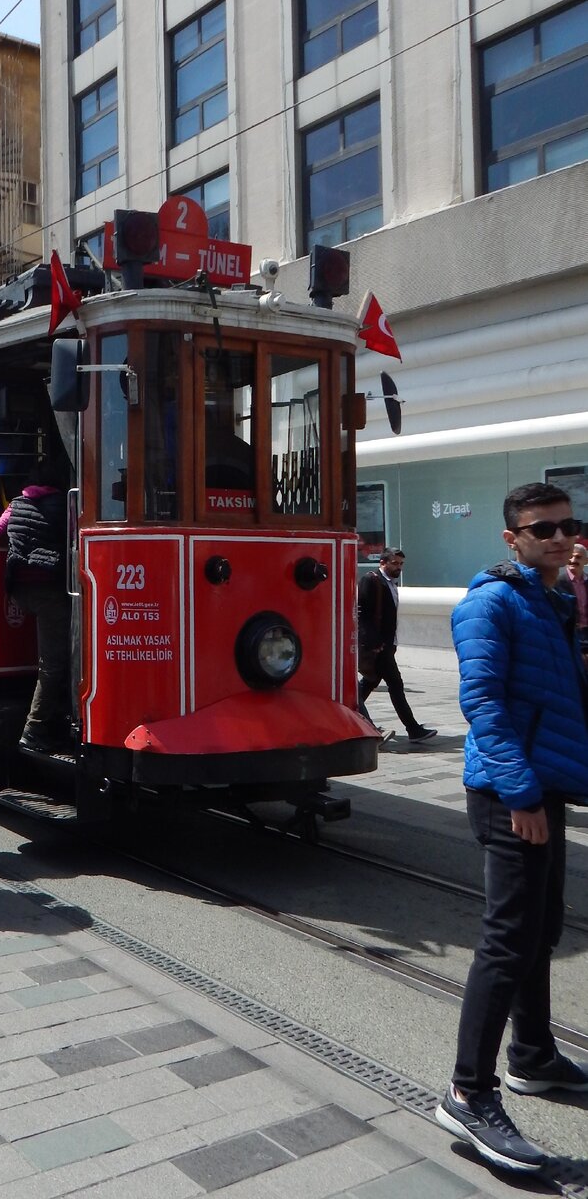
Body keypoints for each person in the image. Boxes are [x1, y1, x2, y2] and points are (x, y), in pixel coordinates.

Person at [437, 482, 588, 1172]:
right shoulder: (491, 602)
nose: (558, 536)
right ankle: (468, 1092)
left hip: (544, 786)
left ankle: (532, 1055)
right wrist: (522, 794)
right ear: (512, 537)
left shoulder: (555, 598)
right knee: (507, 940)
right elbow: (483, 705)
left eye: (567, 524)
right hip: (508, 794)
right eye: (542, 528)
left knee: (543, 929)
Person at [0, 459, 72, 752]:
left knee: (50, 656)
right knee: (55, 663)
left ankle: (55, 713)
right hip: (51, 591)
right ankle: (36, 728)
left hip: (20, 591)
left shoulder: (16, 504)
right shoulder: (64, 503)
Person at [356, 548, 436, 743]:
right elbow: (361, 613)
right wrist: (374, 642)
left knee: (367, 684)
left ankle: (350, 713)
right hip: (377, 646)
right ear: (383, 562)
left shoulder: (391, 584)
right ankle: (413, 729)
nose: (398, 567)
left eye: (401, 564)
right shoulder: (371, 580)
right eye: (394, 563)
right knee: (396, 685)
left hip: (387, 645)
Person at [556, 541, 588, 655]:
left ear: (586, 561)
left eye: (578, 557)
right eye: (571, 556)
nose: (573, 560)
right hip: (571, 634)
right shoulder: (557, 583)